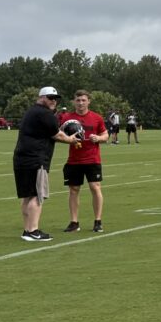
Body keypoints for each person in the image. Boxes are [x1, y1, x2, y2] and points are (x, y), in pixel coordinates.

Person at [13, 87, 77, 242]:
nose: (54, 101)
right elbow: (57, 135)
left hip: (22, 158)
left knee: (27, 196)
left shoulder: (32, 111)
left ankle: (27, 230)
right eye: (50, 97)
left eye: (55, 98)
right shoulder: (44, 113)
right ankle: (33, 231)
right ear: (41, 97)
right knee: (37, 195)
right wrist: (71, 139)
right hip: (36, 159)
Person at [60, 90, 109, 233]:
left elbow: (105, 134)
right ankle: (74, 222)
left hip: (92, 158)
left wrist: (99, 138)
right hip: (74, 160)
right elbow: (59, 134)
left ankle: (98, 221)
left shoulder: (96, 117)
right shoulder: (67, 118)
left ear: (89, 101)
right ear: (73, 101)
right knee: (74, 190)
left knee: (95, 187)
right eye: (78, 100)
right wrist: (68, 140)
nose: (80, 103)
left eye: (83, 100)